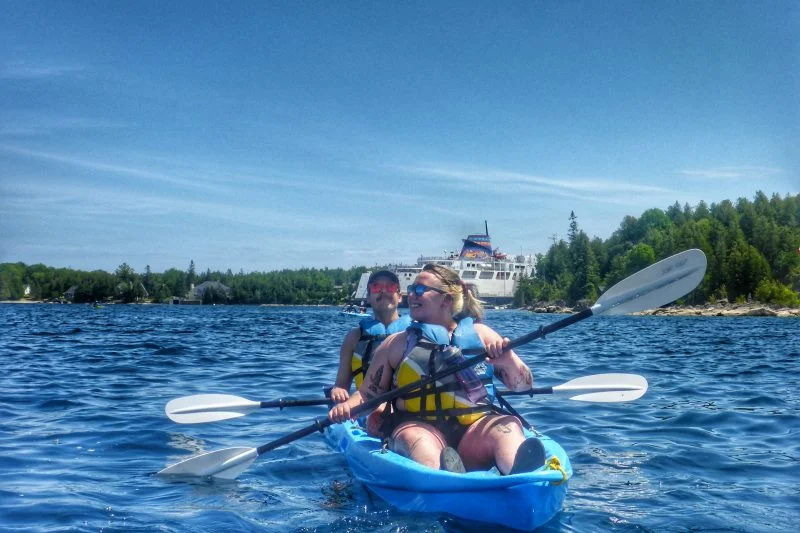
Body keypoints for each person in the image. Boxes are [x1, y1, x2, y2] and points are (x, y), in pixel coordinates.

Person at [329, 263, 545, 475]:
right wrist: (347, 407)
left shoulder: (482, 335)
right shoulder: (395, 344)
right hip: (421, 427)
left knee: (507, 426)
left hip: (474, 433)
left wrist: (508, 360)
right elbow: (367, 395)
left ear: (446, 299)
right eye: (411, 289)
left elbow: (524, 386)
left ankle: (520, 474)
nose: (411, 295)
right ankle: (443, 476)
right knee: (415, 438)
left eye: (420, 290)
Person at [330, 270, 412, 433]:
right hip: (366, 406)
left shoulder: (413, 333)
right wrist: (338, 391)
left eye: (390, 287)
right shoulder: (354, 337)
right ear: (368, 297)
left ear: (399, 296)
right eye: (376, 287)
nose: (383, 291)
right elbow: (341, 384)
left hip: (404, 407)